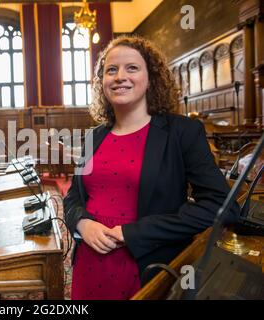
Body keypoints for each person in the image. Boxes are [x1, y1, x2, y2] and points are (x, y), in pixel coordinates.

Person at [63, 35, 240, 300]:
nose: (120, 76)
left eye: (131, 68)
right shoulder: (94, 137)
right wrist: (82, 223)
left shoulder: (181, 132)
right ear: (102, 82)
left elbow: (221, 206)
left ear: (150, 78)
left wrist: (135, 232)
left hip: (148, 265)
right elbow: (73, 197)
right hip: (89, 264)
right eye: (111, 70)